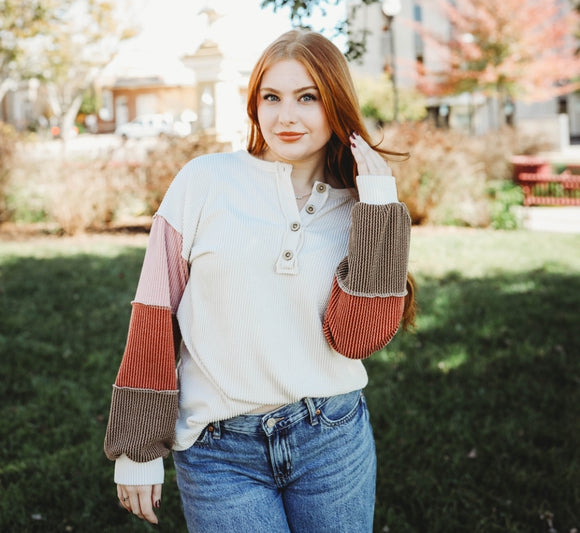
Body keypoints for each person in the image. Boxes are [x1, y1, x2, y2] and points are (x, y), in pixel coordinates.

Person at [104, 28, 415, 532]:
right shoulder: (204, 181)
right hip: (217, 450)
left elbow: (358, 337)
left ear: (335, 104)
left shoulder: (364, 210)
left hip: (331, 439)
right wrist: (138, 444)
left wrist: (379, 208)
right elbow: (154, 316)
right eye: (271, 97)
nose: (285, 116)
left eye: (307, 98)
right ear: (254, 105)